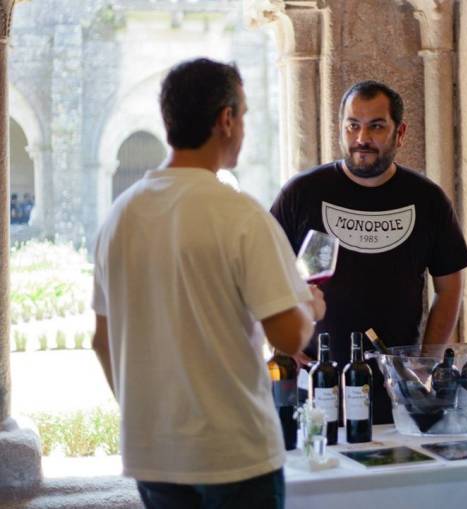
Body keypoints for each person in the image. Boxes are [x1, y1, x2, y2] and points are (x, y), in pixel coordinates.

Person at [91, 58, 325, 509]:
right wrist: (311, 307)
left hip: (153, 455)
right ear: (226, 119)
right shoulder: (239, 214)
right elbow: (288, 334)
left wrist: (148, 416)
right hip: (233, 454)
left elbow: (101, 341)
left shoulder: (119, 216)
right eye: (244, 116)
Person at [270, 80, 467, 424]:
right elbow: (263, 274)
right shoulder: (302, 193)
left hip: (396, 389)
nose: (362, 138)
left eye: (376, 126)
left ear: (400, 131)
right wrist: (285, 347)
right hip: (315, 383)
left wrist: (425, 362)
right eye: (353, 126)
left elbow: (450, 288)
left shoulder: (427, 199)